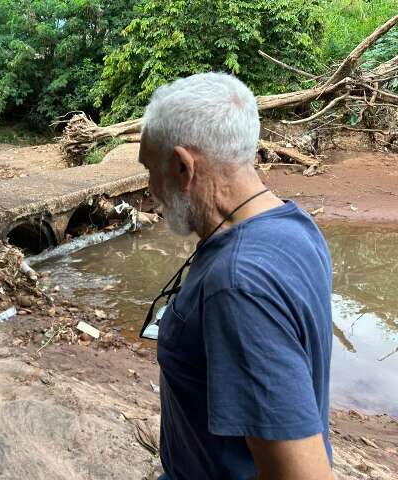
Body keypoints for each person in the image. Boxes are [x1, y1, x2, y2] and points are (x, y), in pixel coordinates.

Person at [138, 73, 334, 480]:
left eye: (149, 170)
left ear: (182, 166)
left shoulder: (238, 284)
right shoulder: (295, 226)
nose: (149, 189)